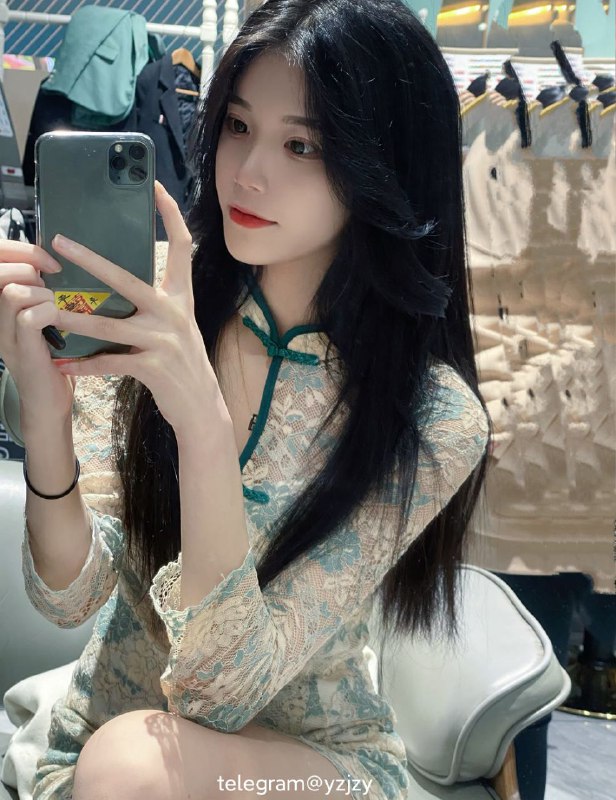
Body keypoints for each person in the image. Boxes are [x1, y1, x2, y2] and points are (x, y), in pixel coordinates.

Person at [0, 2, 492, 798]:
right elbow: (67, 595)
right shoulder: (156, 305)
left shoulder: (433, 417)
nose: (248, 172)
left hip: (302, 771)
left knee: (130, 767)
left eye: (301, 144)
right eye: (236, 126)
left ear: (384, 164)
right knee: (121, 765)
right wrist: (46, 411)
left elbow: (222, 689)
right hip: (107, 744)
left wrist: (201, 420)